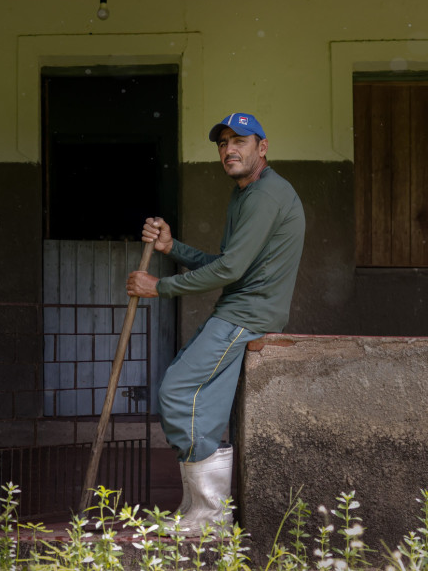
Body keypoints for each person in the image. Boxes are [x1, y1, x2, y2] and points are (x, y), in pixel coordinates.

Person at [126, 112, 305, 536]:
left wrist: (159, 286)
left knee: (178, 390)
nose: (229, 150)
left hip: (247, 314)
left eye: (239, 141)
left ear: (262, 147)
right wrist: (174, 247)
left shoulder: (265, 196)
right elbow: (228, 266)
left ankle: (210, 512)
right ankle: (202, 512)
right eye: (223, 143)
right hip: (240, 308)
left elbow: (229, 270)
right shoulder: (247, 194)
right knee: (201, 405)